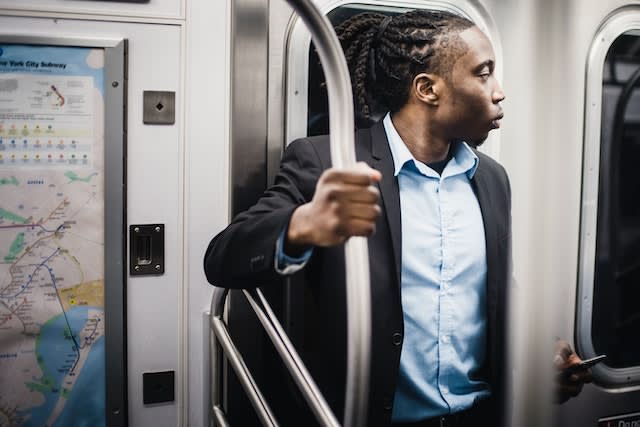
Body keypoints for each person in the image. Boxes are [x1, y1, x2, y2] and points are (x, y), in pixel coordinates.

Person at [204, 9, 590, 426]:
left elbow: (492, 296)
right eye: (483, 74)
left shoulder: (492, 180)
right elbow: (222, 258)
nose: (499, 92)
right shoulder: (327, 162)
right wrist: (302, 224)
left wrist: (539, 355)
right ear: (427, 89)